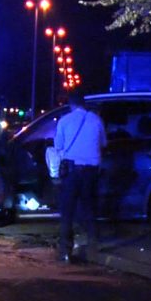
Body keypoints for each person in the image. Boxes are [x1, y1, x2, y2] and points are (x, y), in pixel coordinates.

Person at [54, 91, 106, 263]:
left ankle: (65, 251)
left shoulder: (64, 121)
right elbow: (103, 143)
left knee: (67, 210)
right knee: (89, 207)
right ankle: (94, 244)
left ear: (71, 105)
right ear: (84, 104)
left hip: (72, 170)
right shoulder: (96, 120)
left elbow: (58, 146)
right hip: (91, 171)